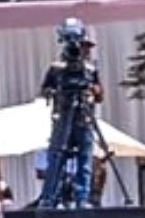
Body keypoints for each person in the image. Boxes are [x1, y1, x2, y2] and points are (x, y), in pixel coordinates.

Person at [38, 20, 103, 208]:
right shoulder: (56, 68)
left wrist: (92, 88)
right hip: (63, 116)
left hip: (83, 117)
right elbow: (44, 90)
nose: (81, 51)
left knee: (85, 157)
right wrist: (55, 91)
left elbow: (100, 96)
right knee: (57, 156)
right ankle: (50, 196)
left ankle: (82, 197)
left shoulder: (90, 70)